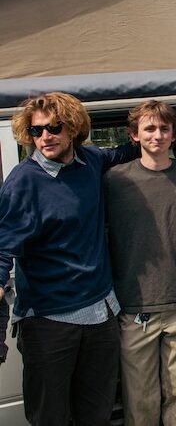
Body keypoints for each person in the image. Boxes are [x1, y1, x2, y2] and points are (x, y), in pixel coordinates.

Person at [0, 92, 137, 425]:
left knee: (96, 414)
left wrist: (172, 129)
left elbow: (122, 153)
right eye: (36, 131)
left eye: (54, 128)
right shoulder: (23, 181)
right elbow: (3, 246)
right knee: (50, 417)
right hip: (50, 321)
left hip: (102, 312)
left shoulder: (89, 160)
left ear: (73, 128)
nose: (45, 137)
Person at [104, 101, 176, 425]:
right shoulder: (114, 181)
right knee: (141, 402)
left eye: (164, 128)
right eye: (149, 128)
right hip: (134, 306)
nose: (157, 135)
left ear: (173, 134)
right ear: (134, 135)